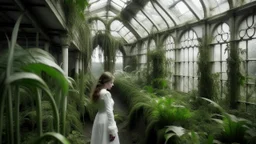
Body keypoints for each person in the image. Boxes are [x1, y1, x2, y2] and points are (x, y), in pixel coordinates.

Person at [90, 71, 120, 144]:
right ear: (106, 82)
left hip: (99, 118)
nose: (112, 84)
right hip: (106, 120)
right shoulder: (106, 93)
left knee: (99, 140)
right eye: (111, 82)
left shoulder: (98, 92)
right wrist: (112, 128)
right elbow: (109, 111)